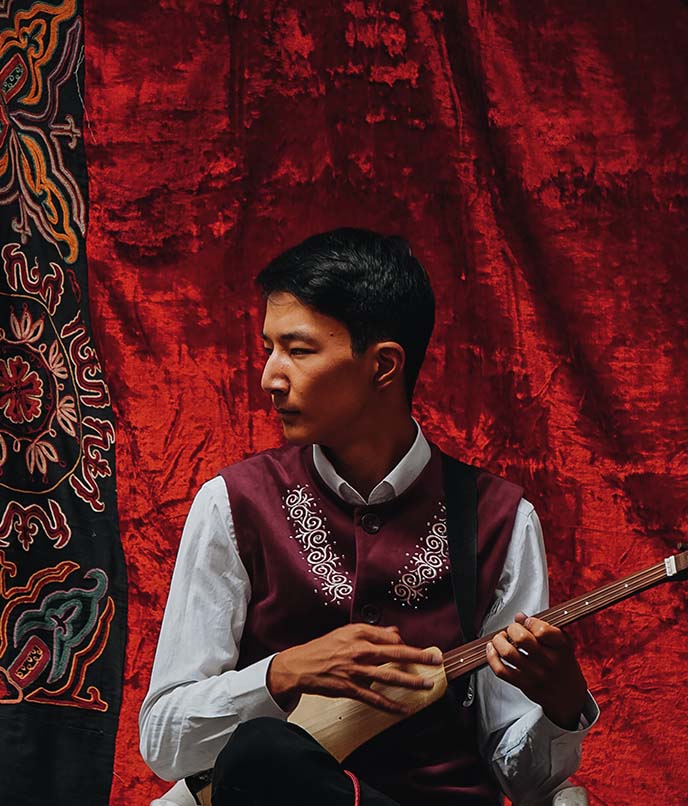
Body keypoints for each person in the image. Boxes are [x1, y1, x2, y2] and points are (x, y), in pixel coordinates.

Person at [139, 228, 599, 806]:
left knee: (264, 757)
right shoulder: (233, 503)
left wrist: (561, 705)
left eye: (298, 350)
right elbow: (163, 743)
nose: (270, 378)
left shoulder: (500, 519)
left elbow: (526, 781)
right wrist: (284, 672)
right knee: (265, 755)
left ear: (383, 365)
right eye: (268, 349)